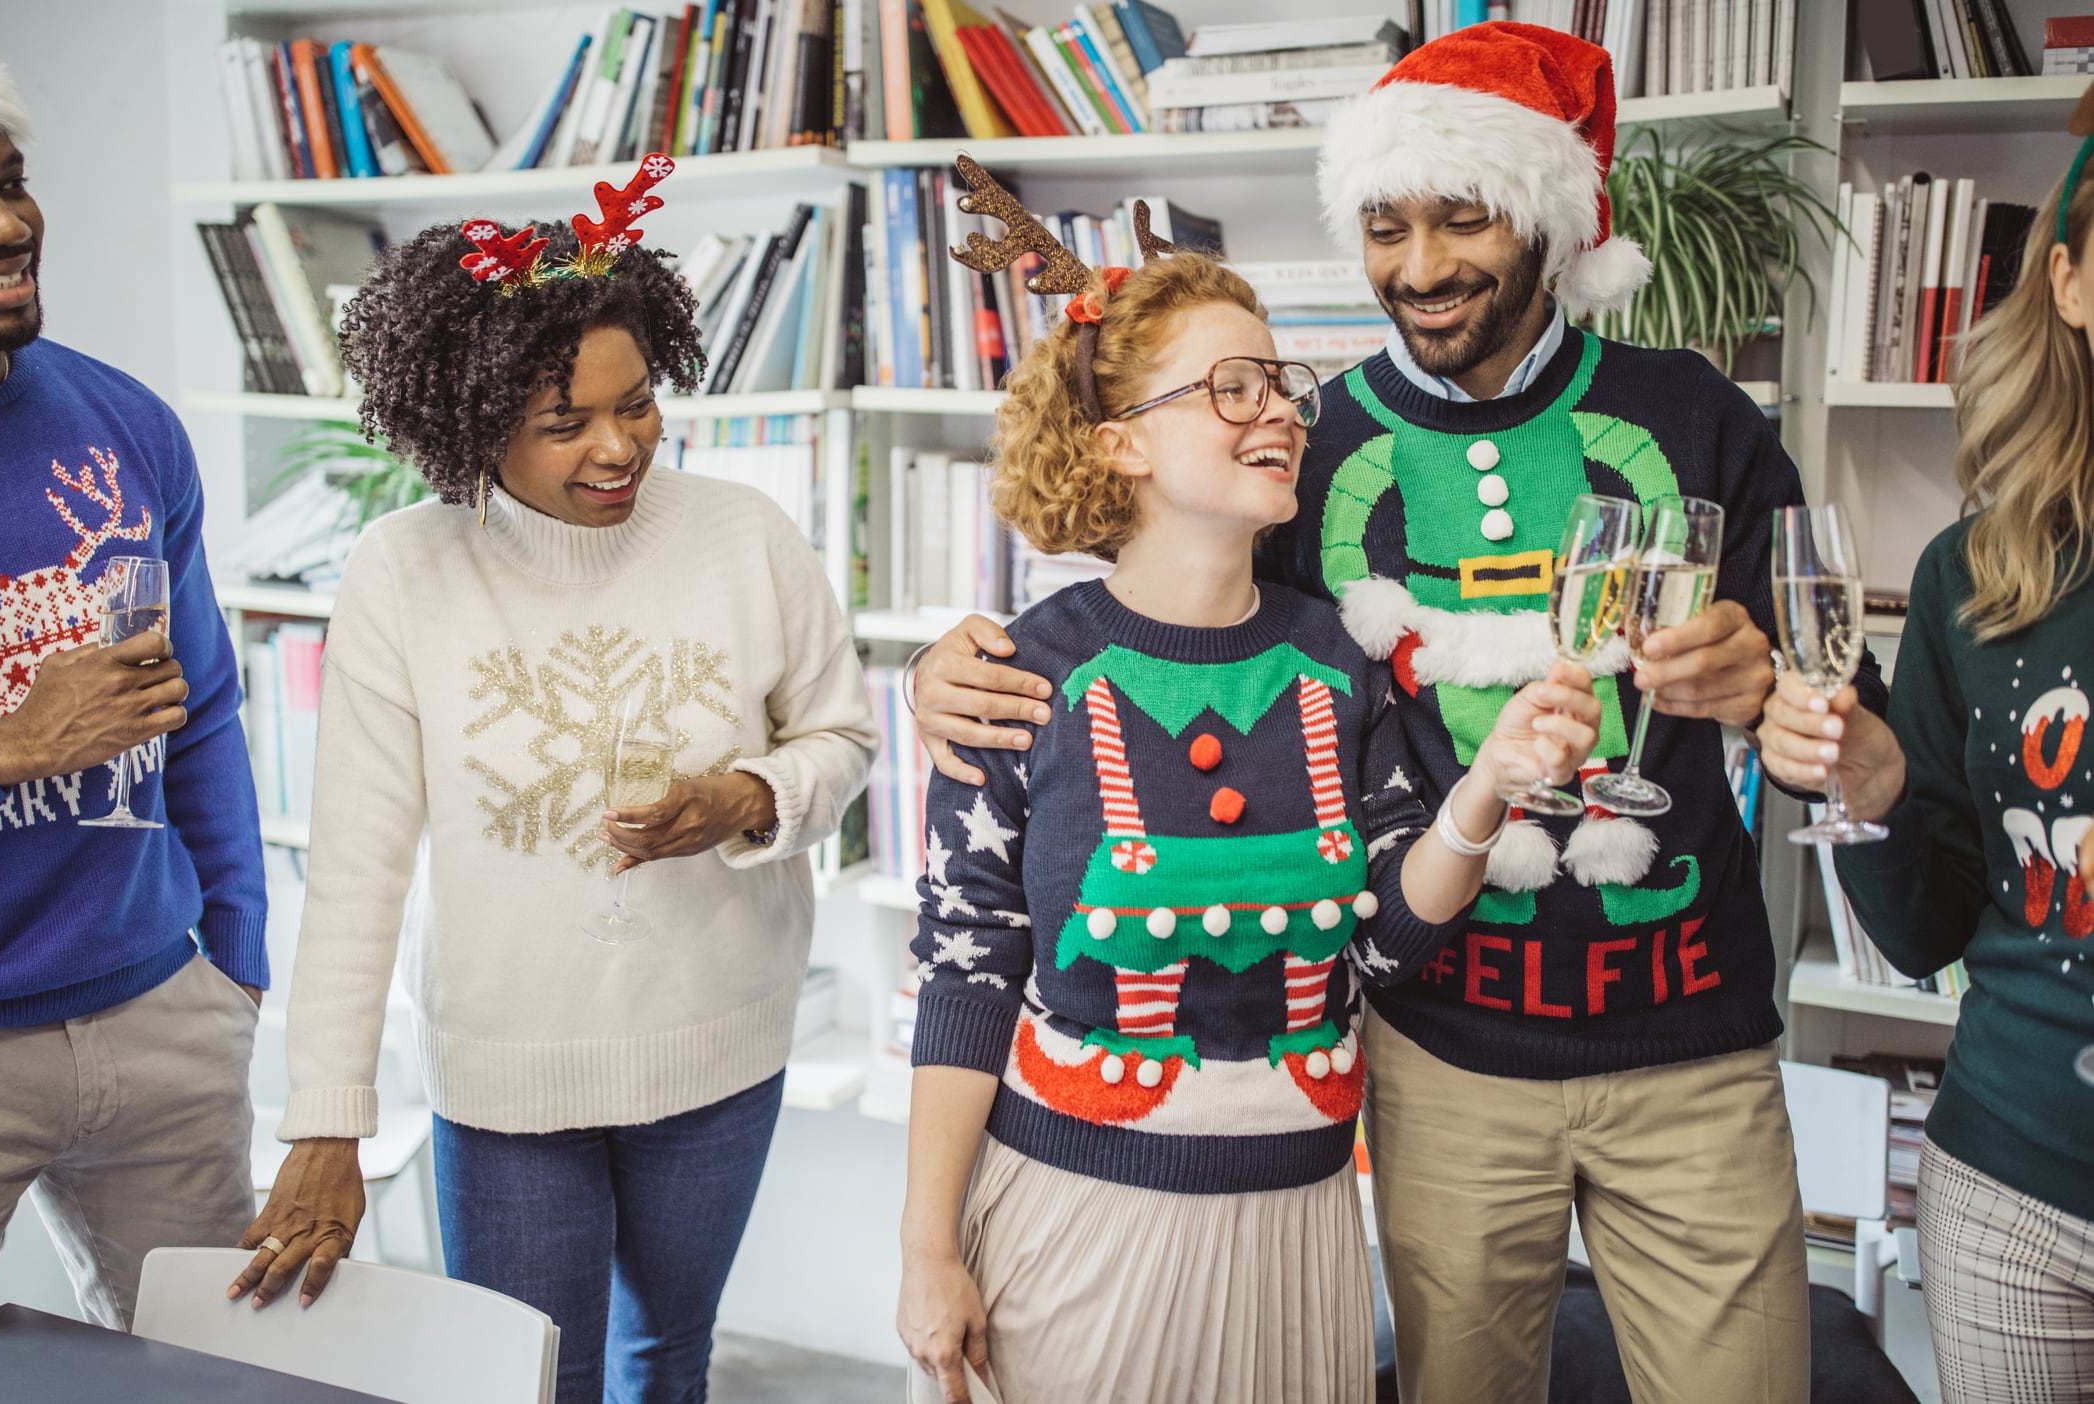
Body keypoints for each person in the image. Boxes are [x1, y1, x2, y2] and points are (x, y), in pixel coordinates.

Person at [908, 25, 1883, 1404]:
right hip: (1437, 1056)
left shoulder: (1690, 413)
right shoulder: (1318, 447)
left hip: (1692, 1049)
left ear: (1544, 216)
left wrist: (1768, 690)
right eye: (1383, 225)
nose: (1419, 268)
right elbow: (1173, 609)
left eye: (1462, 217)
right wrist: (946, 664)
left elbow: (1835, 704)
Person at [896, 218, 1604, 1402]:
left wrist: (1484, 793)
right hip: (1075, 1226)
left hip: (1300, 1228)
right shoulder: (1018, 676)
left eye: (1279, 383)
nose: (1277, 410)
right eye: (1230, 387)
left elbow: (1384, 941)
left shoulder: (1340, 659)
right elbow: (966, 967)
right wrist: (926, 1250)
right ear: (1121, 444)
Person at [228, 163, 879, 1404]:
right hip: (507, 1072)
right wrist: (328, 1120)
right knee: (531, 1380)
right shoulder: (403, 570)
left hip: (718, 1049)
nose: (617, 445)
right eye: (564, 422)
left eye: (636, 406)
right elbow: (357, 863)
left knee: (665, 1359)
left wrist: (744, 798)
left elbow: (840, 740)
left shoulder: (744, 535)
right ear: (474, 423)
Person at [1757, 103, 2094, 1403]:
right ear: (2064, 280)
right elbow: (1926, 931)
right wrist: (1879, 788)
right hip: (2009, 1190)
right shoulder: (1979, 574)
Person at [0, 42, 268, 1328]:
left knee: (212, 1373)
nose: (2, 223)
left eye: (10, 180)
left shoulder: (126, 421)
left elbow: (200, 710)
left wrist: (237, 959)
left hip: (161, 1014)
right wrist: (1, 751)